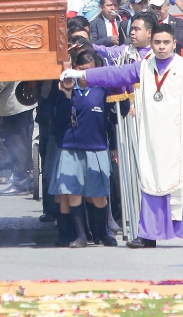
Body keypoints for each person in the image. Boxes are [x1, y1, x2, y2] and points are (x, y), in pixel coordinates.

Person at [67, 24, 183, 249]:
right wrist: (83, 74)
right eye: (157, 43)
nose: (161, 47)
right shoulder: (143, 67)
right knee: (151, 181)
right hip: (153, 133)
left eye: (166, 43)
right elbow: (114, 74)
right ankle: (148, 234)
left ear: (174, 44)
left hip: (182, 134)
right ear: (151, 43)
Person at [50, 49, 116, 248]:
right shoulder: (65, 89)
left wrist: (113, 146)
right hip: (70, 146)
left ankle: (103, 233)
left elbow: (110, 121)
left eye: (88, 70)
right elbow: (59, 120)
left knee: (99, 195)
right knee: (72, 192)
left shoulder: (102, 89)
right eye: (80, 69)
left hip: (96, 147)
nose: (83, 74)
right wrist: (66, 94)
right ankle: (80, 236)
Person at [0, 78, 37, 195]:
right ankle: (26, 179)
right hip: (23, 98)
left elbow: (7, 74)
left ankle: (21, 183)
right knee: (23, 141)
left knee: (17, 143)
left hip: (15, 101)